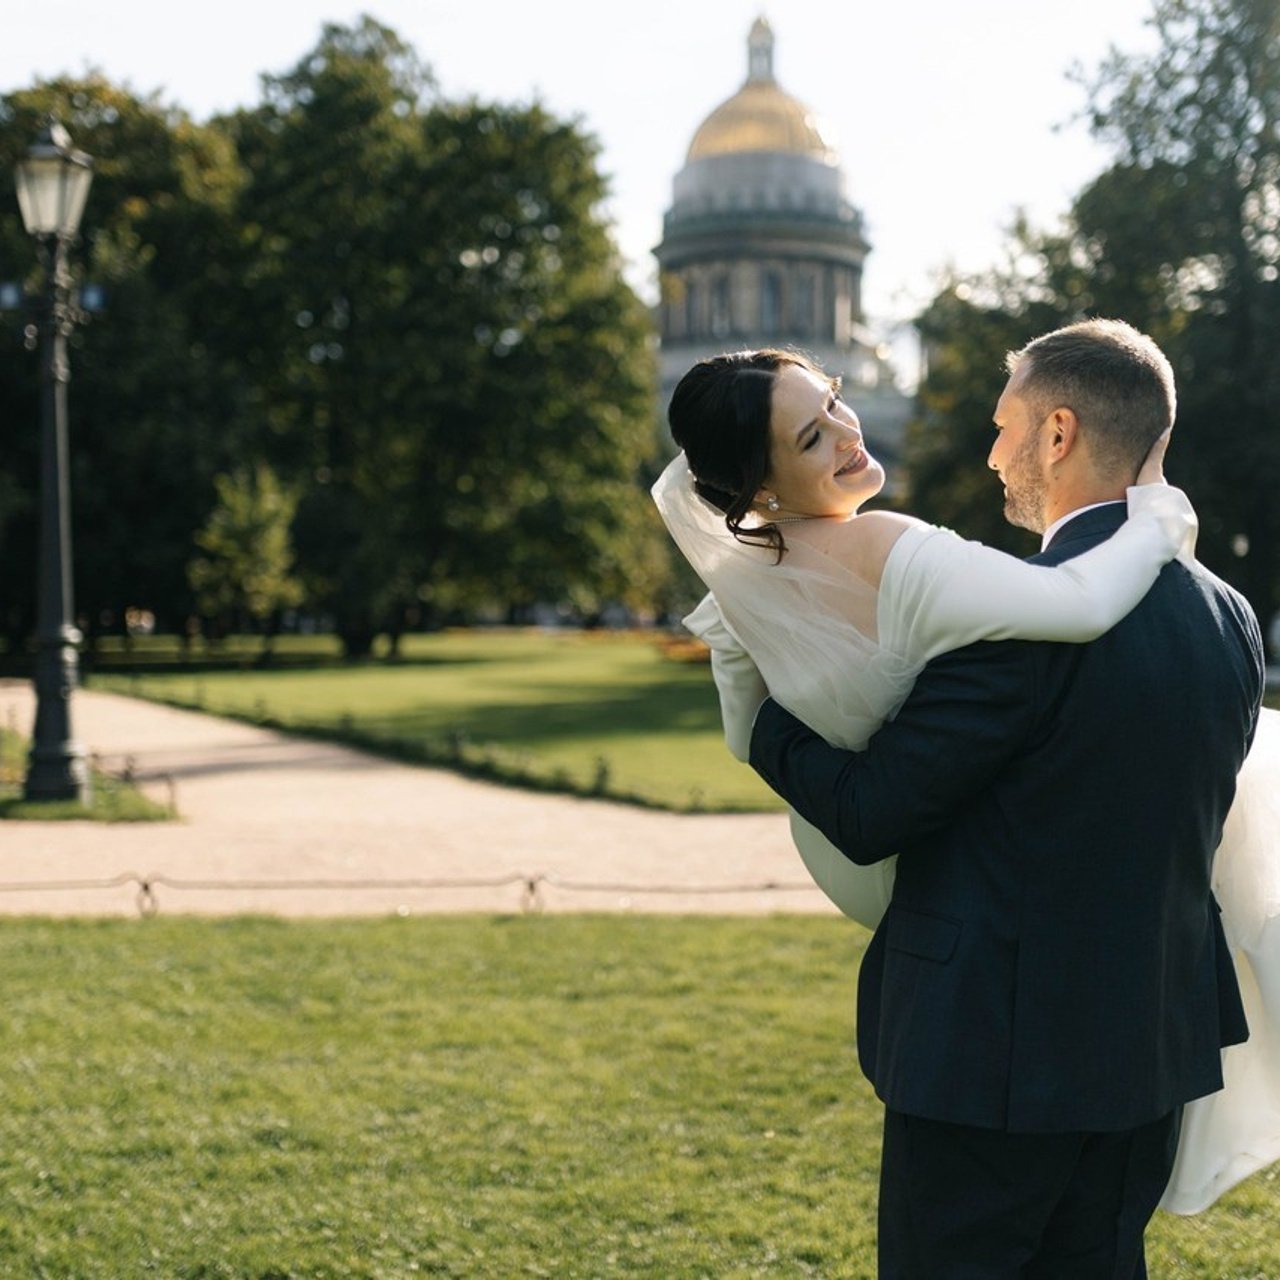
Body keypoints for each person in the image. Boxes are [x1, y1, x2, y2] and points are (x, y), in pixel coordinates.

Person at [728, 321, 1277, 1276]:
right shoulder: (1227, 618)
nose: (990, 454)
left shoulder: (1017, 625)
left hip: (990, 1059)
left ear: (1056, 435)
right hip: (1148, 1046)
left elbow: (868, 813)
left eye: (1002, 426)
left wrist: (760, 718)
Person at [654, 346, 1196, 930]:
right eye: (812, 439)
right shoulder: (883, 547)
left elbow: (746, 734)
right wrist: (1163, 515)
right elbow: (1083, 602)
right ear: (761, 489)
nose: (845, 433)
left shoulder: (737, 591)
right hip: (966, 869)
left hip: (861, 875)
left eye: (834, 401)